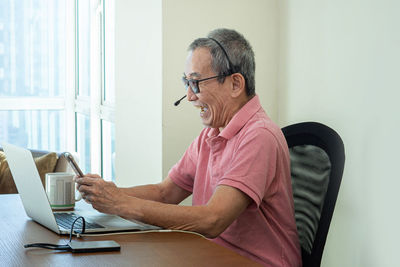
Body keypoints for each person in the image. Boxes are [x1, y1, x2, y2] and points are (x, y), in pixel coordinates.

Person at [76, 28, 301, 267]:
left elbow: (213, 219)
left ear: (235, 84)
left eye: (196, 83)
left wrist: (120, 203)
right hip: (210, 256)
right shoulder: (210, 134)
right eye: (187, 83)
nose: (190, 96)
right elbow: (165, 193)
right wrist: (107, 193)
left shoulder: (259, 136)